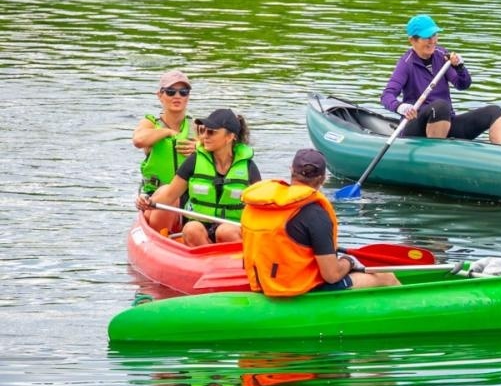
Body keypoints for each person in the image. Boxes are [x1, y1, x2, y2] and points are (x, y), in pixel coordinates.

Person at [240, 149, 399, 294]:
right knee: (386, 277)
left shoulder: (257, 205)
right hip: (299, 289)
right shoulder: (315, 214)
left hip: (262, 283)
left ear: (291, 170)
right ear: (323, 179)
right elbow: (331, 275)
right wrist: (349, 261)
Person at [381, 14, 501, 146]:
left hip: (446, 121)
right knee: (441, 106)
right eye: (426, 37)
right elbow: (386, 96)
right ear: (412, 40)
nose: (432, 41)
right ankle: (434, 153)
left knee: (494, 111)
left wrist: (460, 67)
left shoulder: (442, 55)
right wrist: (400, 107)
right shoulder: (406, 64)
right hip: (415, 126)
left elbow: (462, 85)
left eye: (434, 35)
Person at [139, 108, 261, 247]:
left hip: (231, 226)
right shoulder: (194, 161)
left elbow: (260, 206)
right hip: (200, 226)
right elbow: (169, 195)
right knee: (191, 229)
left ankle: (237, 257)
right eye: (203, 131)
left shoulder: (248, 167)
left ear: (230, 137)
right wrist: (147, 202)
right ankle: (209, 256)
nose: (204, 136)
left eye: (211, 132)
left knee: (225, 231)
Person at [134, 69, 197, 233]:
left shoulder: (197, 127)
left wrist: (199, 149)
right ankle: (161, 235)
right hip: (157, 196)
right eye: (170, 91)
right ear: (160, 95)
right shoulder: (151, 123)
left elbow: (221, 153)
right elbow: (139, 140)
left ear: (188, 96)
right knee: (170, 194)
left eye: (183, 92)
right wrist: (167, 132)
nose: (177, 96)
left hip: (190, 196)